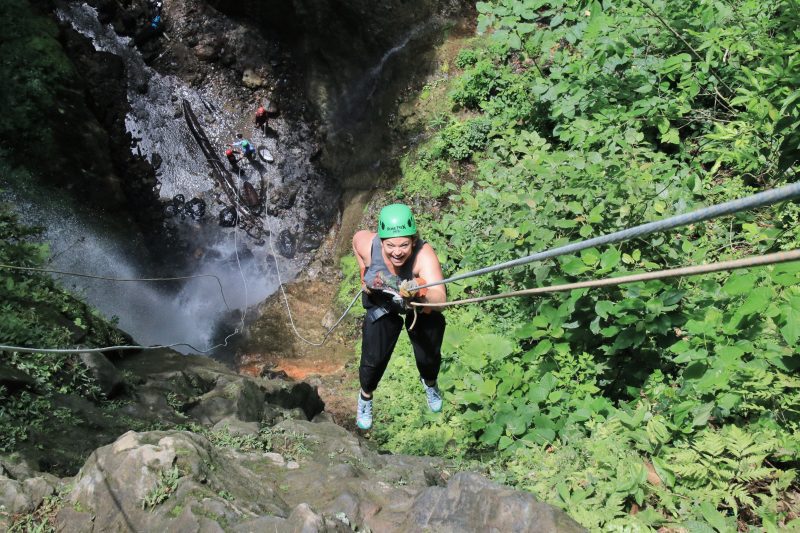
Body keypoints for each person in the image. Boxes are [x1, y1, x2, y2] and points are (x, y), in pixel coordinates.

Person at [351, 203, 447, 430]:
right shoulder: (368, 244)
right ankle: (365, 397)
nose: (397, 251)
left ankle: (430, 382)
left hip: (418, 306)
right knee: (373, 359)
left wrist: (420, 292)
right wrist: (363, 271)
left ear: (413, 241)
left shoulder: (423, 255)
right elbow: (356, 240)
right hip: (383, 303)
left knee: (429, 351)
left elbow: (441, 299)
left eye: (404, 244)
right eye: (390, 245)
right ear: (381, 241)